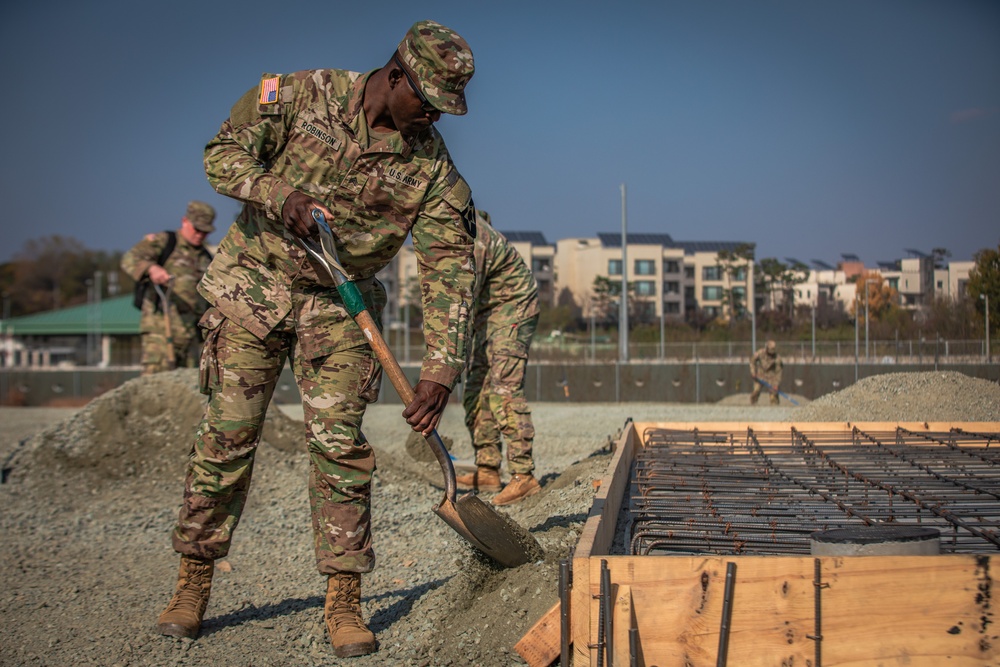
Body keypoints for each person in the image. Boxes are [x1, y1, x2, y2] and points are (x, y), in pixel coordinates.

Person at [154, 20, 477, 660]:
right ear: (395, 77)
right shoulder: (299, 95)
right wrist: (278, 194)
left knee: (340, 446)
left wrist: (441, 368)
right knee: (228, 434)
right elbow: (223, 154)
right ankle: (192, 581)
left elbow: (450, 266)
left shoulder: (434, 169)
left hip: (341, 308)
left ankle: (345, 598)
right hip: (254, 286)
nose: (434, 117)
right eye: (428, 100)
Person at [456, 211, 541, 506]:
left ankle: (523, 476)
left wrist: (442, 365)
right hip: (487, 314)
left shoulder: (474, 237)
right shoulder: (446, 236)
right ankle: (488, 468)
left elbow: (460, 300)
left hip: (514, 308)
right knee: (476, 390)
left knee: (503, 388)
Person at [121, 202, 215, 375]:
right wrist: (151, 268)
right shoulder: (165, 241)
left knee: (187, 388)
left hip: (191, 336)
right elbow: (130, 258)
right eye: (197, 229)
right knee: (158, 386)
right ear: (185, 221)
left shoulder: (205, 256)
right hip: (161, 333)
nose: (201, 235)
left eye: (206, 231)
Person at [750, 339, 783, 405]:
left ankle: (775, 407)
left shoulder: (777, 358)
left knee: (774, 394)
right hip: (760, 375)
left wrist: (776, 384)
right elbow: (752, 361)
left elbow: (779, 373)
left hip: (771, 377)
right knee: (756, 391)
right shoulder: (760, 353)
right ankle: (753, 405)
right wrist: (753, 372)